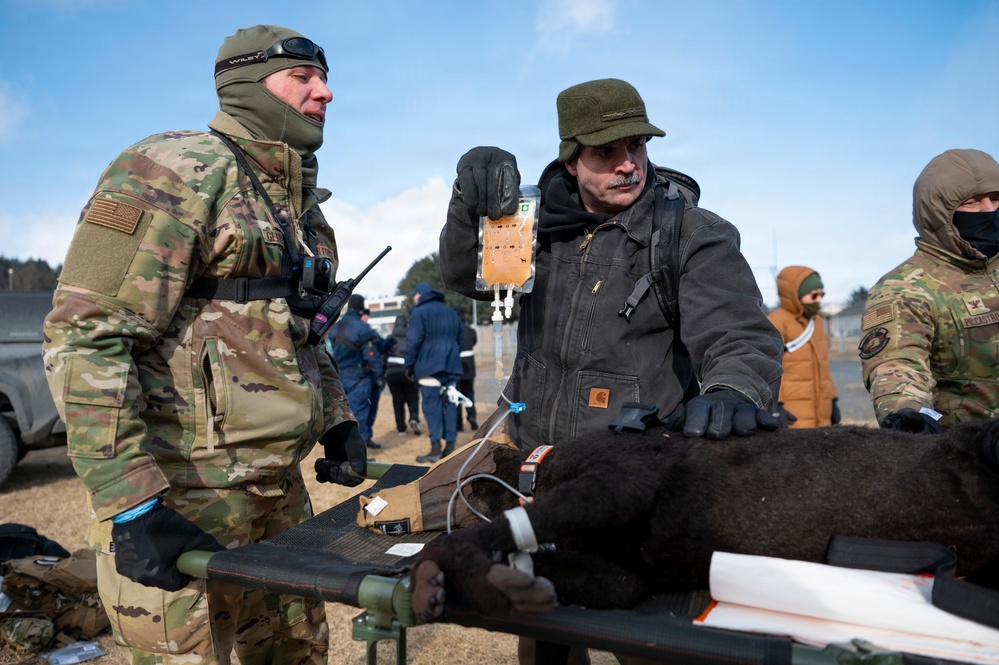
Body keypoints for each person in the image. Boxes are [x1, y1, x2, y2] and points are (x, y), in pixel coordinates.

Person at [41, 25, 369, 665]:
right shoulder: (176, 170)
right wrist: (131, 503)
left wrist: (339, 421)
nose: (325, 93)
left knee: (295, 656)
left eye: (324, 79)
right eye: (302, 78)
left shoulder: (298, 204)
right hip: (184, 496)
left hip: (279, 493)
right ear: (249, 85)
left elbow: (301, 331)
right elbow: (84, 337)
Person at [439, 77, 784, 665]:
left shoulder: (690, 233)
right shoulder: (529, 228)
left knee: (651, 645)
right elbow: (464, 277)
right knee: (547, 638)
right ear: (571, 160)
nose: (628, 165)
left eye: (638, 146)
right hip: (542, 478)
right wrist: (463, 205)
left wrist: (733, 387)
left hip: (636, 488)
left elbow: (739, 333)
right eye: (606, 152)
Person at [861, 148, 999, 433]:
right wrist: (907, 411)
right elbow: (897, 363)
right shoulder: (906, 287)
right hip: (973, 457)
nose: (988, 210)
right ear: (939, 213)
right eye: (972, 203)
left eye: (996, 198)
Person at [767, 267, 839, 428]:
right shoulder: (777, 322)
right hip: (792, 415)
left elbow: (824, 367)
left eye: (822, 294)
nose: (818, 299)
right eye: (814, 295)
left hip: (822, 413)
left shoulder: (818, 321)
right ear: (795, 294)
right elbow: (768, 368)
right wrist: (776, 405)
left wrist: (833, 399)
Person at [404, 282, 465, 463]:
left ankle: (435, 448)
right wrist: (451, 354)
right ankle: (451, 447)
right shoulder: (451, 312)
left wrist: (410, 365)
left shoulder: (419, 312)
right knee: (451, 405)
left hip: (428, 367)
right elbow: (461, 338)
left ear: (419, 296)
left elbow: (413, 341)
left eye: (414, 295)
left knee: (432, 408)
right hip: (451, 365)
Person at [329, 295, 385, 450]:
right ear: (361, 308)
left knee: (346, 414)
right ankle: (359, 452)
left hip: (340, 376)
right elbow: (371, 356)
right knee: (361, 414)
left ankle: (365, 440)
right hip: (359, 377)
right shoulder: (362, 327)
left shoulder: (336, 326)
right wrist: (379, 375)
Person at [385, 315, 422, 436]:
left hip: (392, 373)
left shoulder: (389, 338)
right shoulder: (411, 338)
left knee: (397, 401)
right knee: (413, 398)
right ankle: (414, 418)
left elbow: (382, 356)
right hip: (407, 371)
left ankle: (401, 429)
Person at [456, 315, 479, 432]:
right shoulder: (471, 331)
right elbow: (474, 342)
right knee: (469, 393)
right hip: (469, 365)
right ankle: (471, 416)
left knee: (457, 396)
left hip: (457, 366)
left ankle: (458, 424)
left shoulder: (453, 330)